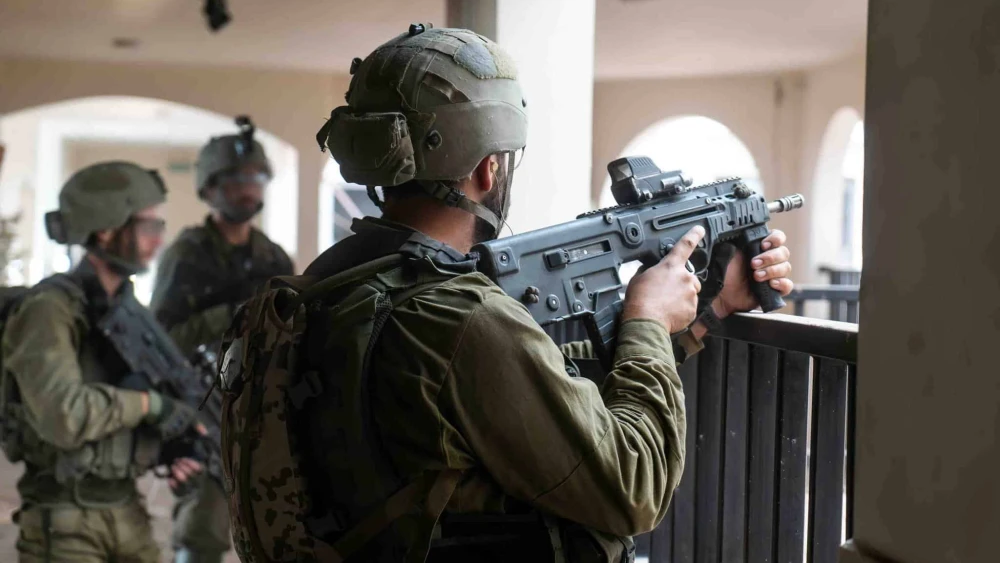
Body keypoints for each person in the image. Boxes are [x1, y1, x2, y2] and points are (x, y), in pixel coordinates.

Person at [221, 25, 794, 562]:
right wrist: (645, 321)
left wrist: (708, 309)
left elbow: (532, 398)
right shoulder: (459, 319)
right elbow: (632, 488)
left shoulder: (334, 283)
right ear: (488, 171)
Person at [0, 161, 205, 562]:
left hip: (129, 511)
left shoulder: (127, 312)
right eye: (149, 227)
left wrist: (176, 448)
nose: (158, 240)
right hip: (65, 521)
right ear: (107, 229)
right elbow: (64, 416)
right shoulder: (50, 310)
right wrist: (150, 406)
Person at [150, 115, 293, 563]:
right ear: (210, 189)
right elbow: (160, 339)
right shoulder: (186, 254)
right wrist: (226, 315)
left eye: (255, 179)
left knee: (280, 528)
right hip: (204, 404)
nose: (248, 189)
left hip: (265, 407)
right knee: (202, 530)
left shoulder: (273, 256)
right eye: (235, 181)